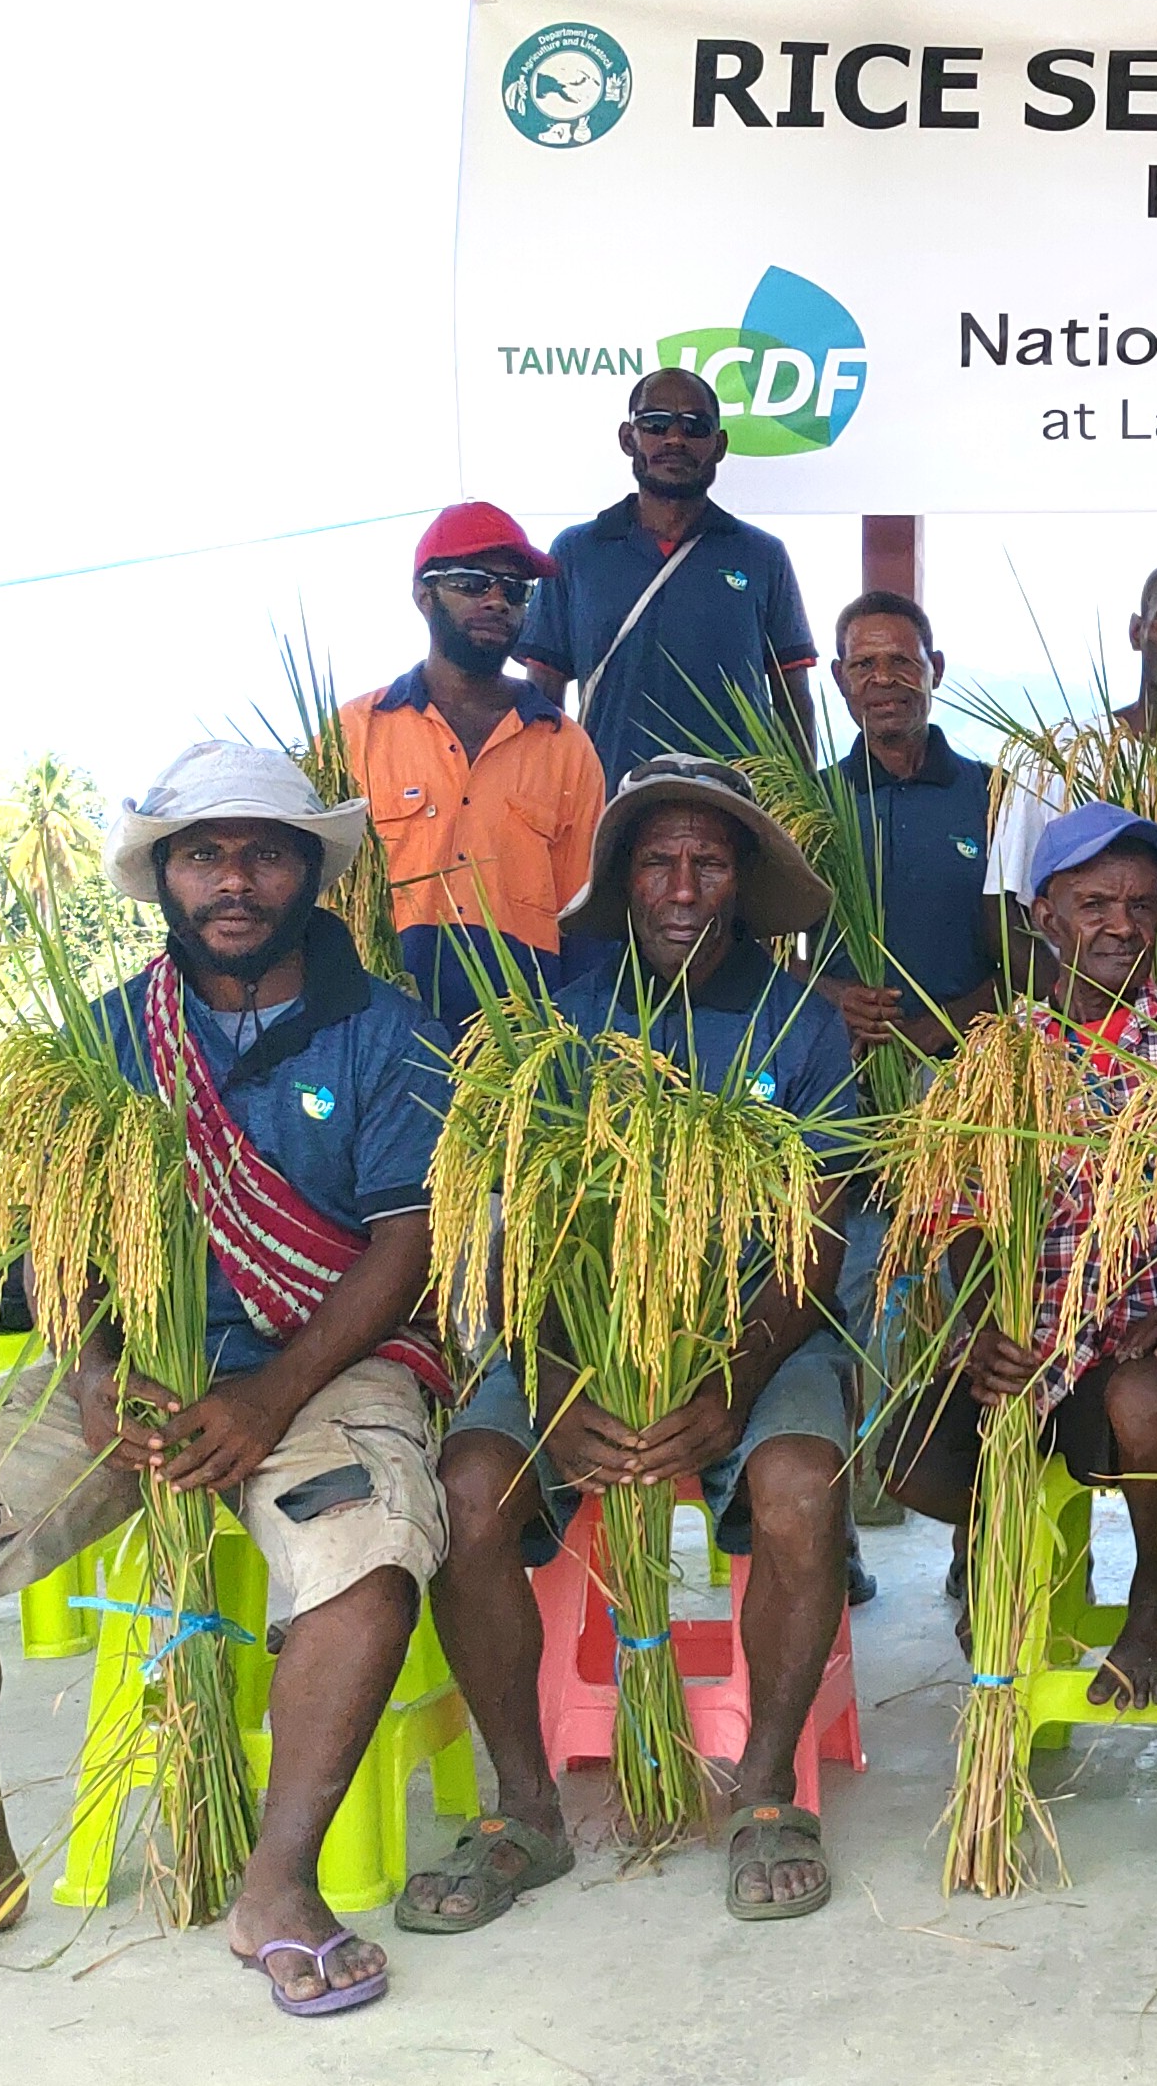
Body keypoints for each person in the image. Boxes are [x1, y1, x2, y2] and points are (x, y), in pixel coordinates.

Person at [0, 742, 450, 2016]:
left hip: (322, 1366)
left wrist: (266, 1397)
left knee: (367, 1561)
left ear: (312, 870)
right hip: (127, 1372)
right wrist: (92, 1371)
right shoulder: (106, 1039)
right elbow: (66, 1239)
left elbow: (403, 1249)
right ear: (163, 879)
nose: (235, 879)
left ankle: (281, 1884)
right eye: (204, 853)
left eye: (263, 850)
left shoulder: (389, 1037)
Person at [404, 756, 864, 1930]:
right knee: (466, 1489)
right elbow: (513, 1221)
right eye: (657, 859)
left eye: (709, 861)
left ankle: (765, 1791)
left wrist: (731, 1384)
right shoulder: (563, 1021)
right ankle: (525, 1807)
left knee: (803, 1487)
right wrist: (554, 1379)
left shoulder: (801, 1028)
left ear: (744, 881)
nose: (680, 885)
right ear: (620, 878)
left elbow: (814, 1247)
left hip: (756, 1337)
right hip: (569, 1330)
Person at [885, 802, 1157, 1710]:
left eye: (1142, 904)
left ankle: (1155, 1584)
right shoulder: (1000, 1057)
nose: (1121, 925)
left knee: (1141, 1391)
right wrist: (984, 1324)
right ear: (1042, 918)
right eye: (1095, 902)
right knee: (905, 1451)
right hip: (1041, 1334)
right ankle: (1004, 1546)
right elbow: (960, 1215)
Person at [341, 502, 607, 1037]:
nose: (496, 600)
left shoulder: (567, 746)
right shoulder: (356, 731)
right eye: (472, 582)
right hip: (375, 1031)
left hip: (519, 1045)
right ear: (423, 594)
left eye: (514, 590)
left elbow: (586, 926)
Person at [983, 559, 1157, 1014]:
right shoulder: (1059, 756)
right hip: (1078, 1052)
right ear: (1137, 631)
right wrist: (1073, 1016)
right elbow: (1004, 908)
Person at [517, 368, 818, 783]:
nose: (675, 438)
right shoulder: (575, 552)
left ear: (719, 445)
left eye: (695, 427)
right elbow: (543, 699)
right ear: (628, 438)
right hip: (607, 809)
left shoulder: (762, 556)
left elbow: (792, 706)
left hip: (733, 817)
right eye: (656, 423)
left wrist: (801, 815)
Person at [818, 591, 1009, 1061]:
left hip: (970, 1072)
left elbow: (1032, 954)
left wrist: (947, 1023)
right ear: (840, 679)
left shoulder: (995, 796)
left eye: (901, 661)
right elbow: (773, 948)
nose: (883, 678)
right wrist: (835, 996)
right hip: (842, 1070)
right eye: (863, 665)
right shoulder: (812, 803)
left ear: (935, 669)